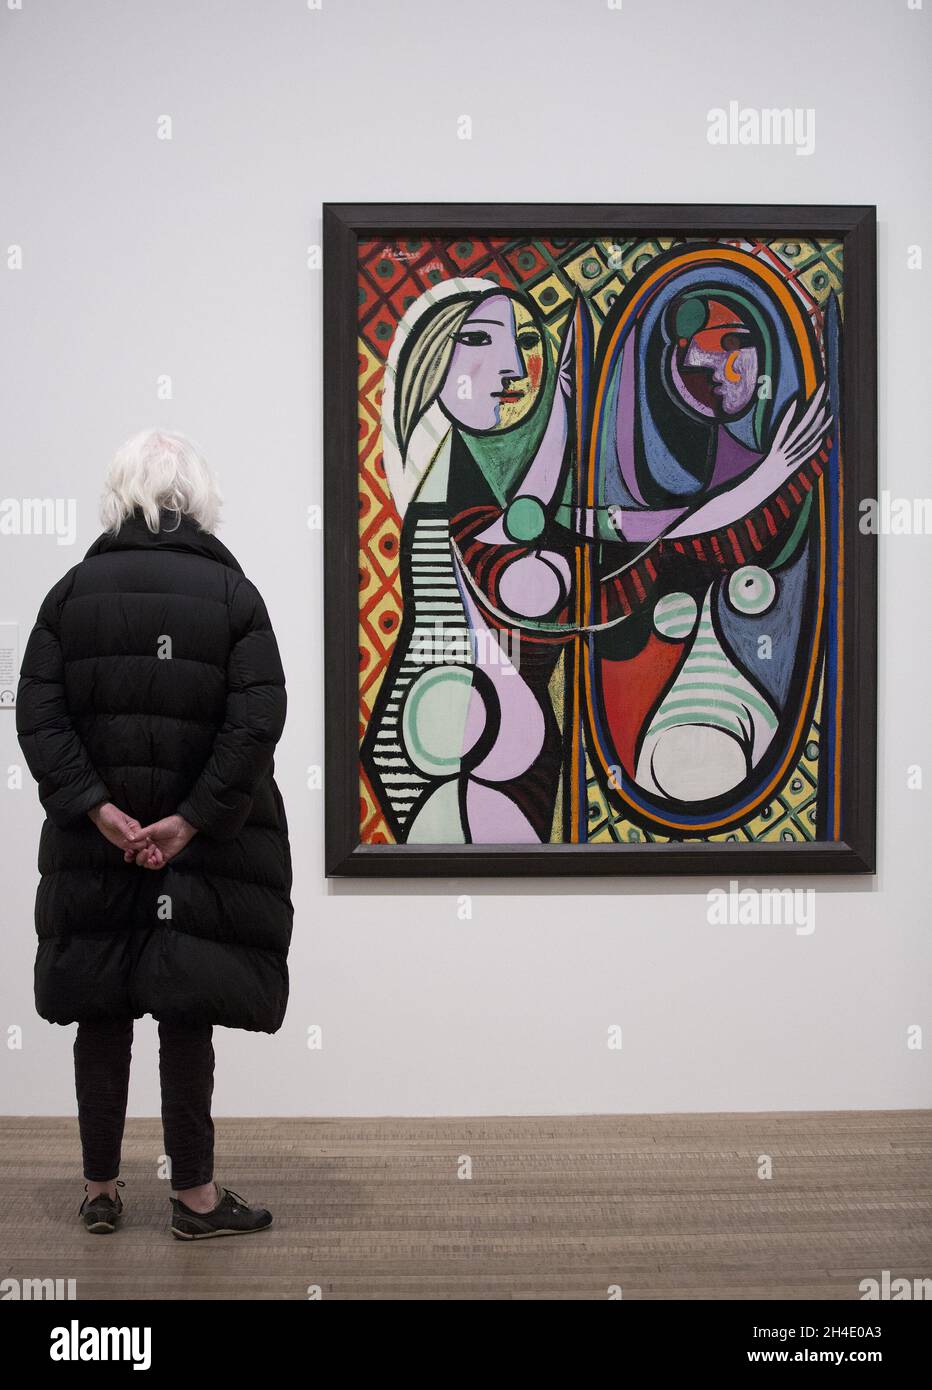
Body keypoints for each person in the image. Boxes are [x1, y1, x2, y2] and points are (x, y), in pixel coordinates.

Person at [16, 430, 293, 1239]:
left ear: (119, 496)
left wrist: (100, 811)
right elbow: (256, 722)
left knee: (101, 1010)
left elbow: (39, 716)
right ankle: (195, 1201)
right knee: (185, 1011)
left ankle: (102, 1192)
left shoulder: (70, 594)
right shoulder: (235, 599)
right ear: (196, 501)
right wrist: (191, 819)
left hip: (91, 849)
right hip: (202, 850)